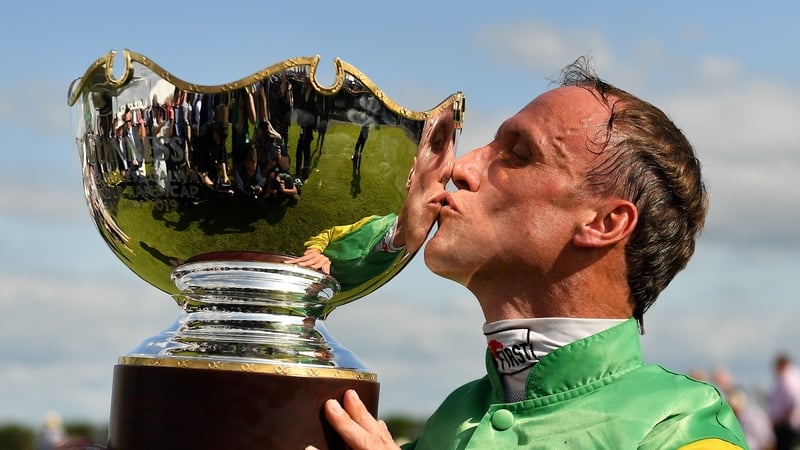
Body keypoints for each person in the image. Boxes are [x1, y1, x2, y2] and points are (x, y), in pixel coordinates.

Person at [306, 57, 747, 449]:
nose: (462, 167)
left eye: (518, 154)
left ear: (604, 223)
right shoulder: (451, 418)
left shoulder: (678, 430)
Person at [768, 353, 800, 450]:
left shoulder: (787, 380)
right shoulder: (792, 377)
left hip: (787, 427)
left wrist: (782, 419)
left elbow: (793, 402)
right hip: (787, 425)